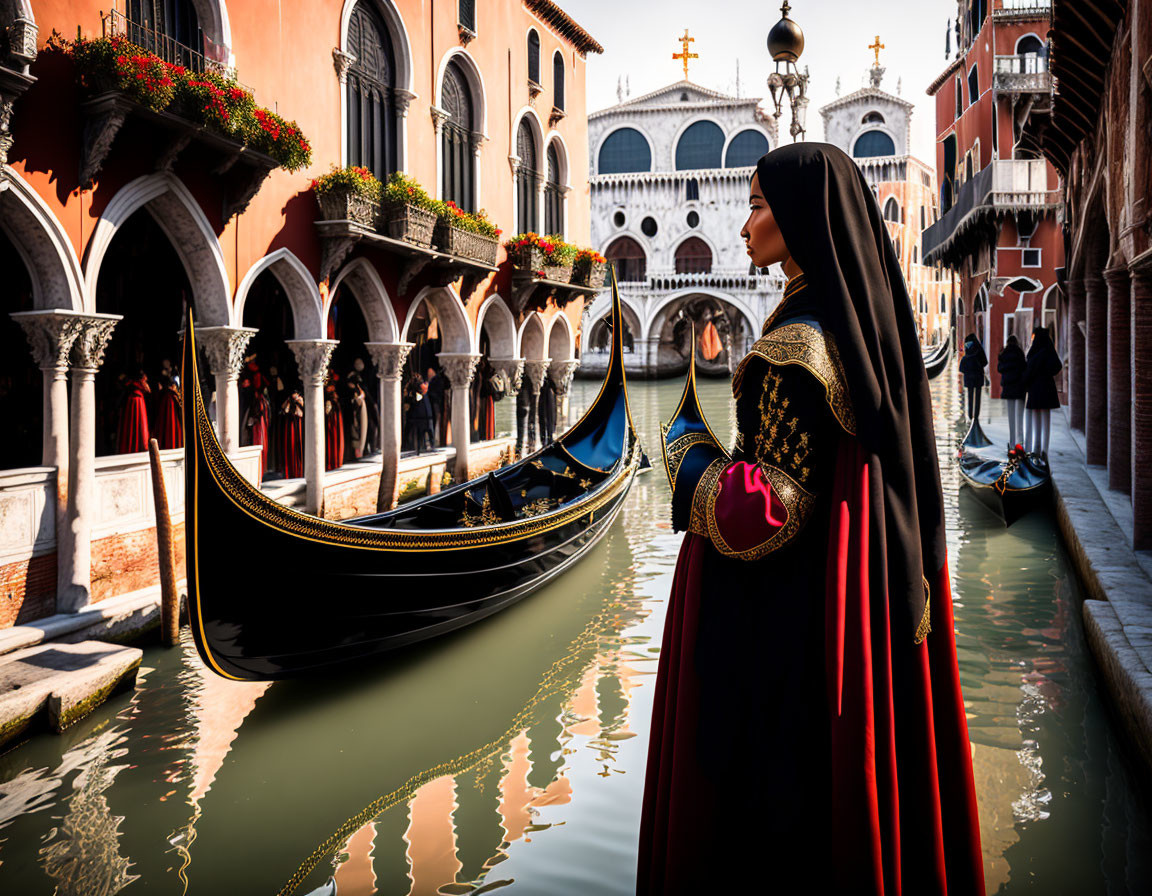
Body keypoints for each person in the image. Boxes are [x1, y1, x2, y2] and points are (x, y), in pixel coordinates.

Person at [639, 144, 985, 894]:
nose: (743, 227)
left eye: (759, 206)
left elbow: (767, 512)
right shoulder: (854, 330)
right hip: (836, 611)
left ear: (800, 217)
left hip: (780, 630)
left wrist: (687, 454)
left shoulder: (799, 345)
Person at [1023, 326, 1062, 460]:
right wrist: (1047, 373)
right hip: (1047, 388)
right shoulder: (1049, 350)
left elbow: (1028, 371)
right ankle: (1044, 451)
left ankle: (1036, 449)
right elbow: (1057, 366)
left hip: (1035, 389)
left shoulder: (1034, 352)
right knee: (1046, 420)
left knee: (1036, 419)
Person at [997, 334, 1027, 450]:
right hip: (1019, 389)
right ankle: (1020, 442)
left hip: (1008, 389)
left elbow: (999, 369)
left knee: (1011, 418)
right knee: (1019, 417)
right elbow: (1024, 368)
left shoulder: (1003, 354)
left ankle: (1012, 442)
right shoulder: (1020, 353)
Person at [117, 368, 150, 454]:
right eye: (144, 378)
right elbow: (148, 390)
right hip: (136, 401)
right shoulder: (136, 391)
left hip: (135, 401)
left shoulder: (134, 388)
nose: (146, 379)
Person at [959, 332, 988, 421]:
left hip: (969, 378)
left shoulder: (966, 353)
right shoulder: (979, 350)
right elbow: (985, 362)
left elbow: (961, 369)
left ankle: (970, 415)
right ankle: (976, 416)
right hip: (978, 377)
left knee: (970, 396)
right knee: (978, 396)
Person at [279, 385, 305, 479]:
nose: (294, 396)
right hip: (289, 427)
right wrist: (288, 402)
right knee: (289, 447)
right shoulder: (288, 401)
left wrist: (299, 402)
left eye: (295, 394)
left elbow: (301, 413)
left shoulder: (300, 401)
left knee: (298, 448)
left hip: (298, 427)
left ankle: (299, 471)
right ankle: (289, 472)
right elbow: (285, 410)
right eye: (293, 394)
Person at [407, 377, 434, 454]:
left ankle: (431, 446)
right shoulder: (417, 396)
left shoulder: (427, 395)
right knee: (420, 436)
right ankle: (418, 449)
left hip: (429, 418)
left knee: (430, 434)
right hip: (420, 419)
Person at [537, 374, 557, 445]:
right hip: (546, 384)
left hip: (546, 384)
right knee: (547, 413)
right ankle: (547, 437)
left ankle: (547, 438)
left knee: (548, 413)